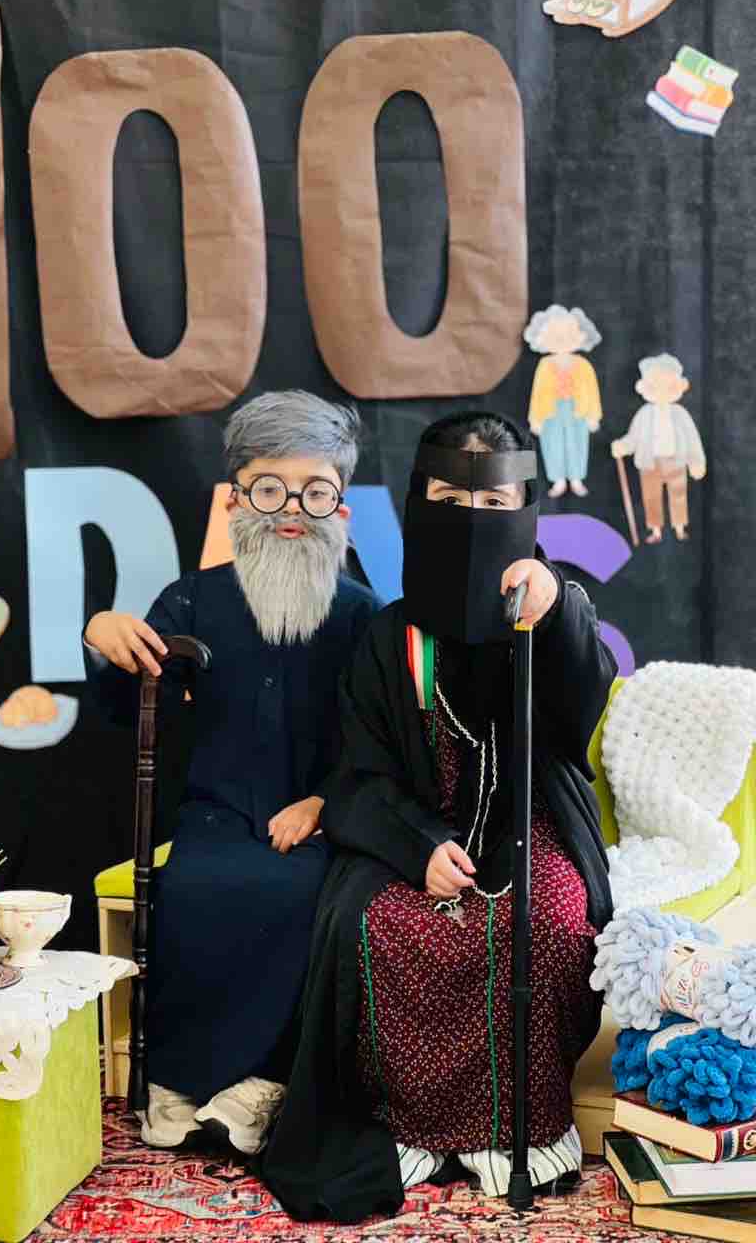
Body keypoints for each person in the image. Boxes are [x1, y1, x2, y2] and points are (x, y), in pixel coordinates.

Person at [261, 411, 616, 1222]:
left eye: (494, 505)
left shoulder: (552, 611)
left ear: (524, 510)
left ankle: (519, 1129)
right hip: (411, 832)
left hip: (532, 823)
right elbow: (359, 775)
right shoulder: (390, 638)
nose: (472, 520)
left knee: (548, 918)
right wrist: (417, 844)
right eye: (451, 501)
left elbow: (576, 719)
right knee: (382, 927)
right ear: (420, 505)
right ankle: (414, 1128)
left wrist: (555, 609)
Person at [84, 390, 379, 1157]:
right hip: (215, 811)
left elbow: (382, 744)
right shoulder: (192, 599)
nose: (293, 510)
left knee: (300, 893)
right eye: (270, 489)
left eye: (315, 492)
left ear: (342, 509)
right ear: (236, 499)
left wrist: (323, 802)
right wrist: (103, 634)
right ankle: (179, 1083)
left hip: (320, 821)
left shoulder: (361, 615)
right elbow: (128, 707)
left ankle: (262, 1086)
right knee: (197, 885)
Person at [611, 353, 706, 543]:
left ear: (678, 387)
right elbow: (634, 437)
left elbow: (692, 439)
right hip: (650, 463)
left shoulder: (680, 414)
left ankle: (679, 526)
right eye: (656, 386)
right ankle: (656, 530)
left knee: (678, 495)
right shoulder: (644, 414)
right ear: (646, 388)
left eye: (668, 386)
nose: (662, 392)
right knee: (651, 497)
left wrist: (696, 462)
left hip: (676, 461)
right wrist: (623, 446)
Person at [525, 304, 602, 499]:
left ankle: (576, 478)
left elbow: (592, 391)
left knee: (577, 442)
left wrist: (593, 416)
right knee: (553, 443)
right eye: (556, 337)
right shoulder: (544, 365)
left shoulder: (584, 365)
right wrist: (536, 419)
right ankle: (558, 479)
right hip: (550, 411)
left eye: (567, 336)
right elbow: (537, 393)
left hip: (578, 410)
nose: (562, 342)